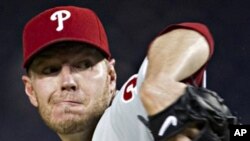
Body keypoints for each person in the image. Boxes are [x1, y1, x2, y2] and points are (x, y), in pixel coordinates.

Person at [21, 5, 233, 141]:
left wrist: (159, 83)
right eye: (50, 70)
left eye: (83, 65)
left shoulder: (126, 114)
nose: (67, 81)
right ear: (30, 89)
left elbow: (189, 34)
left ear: (111, 77)